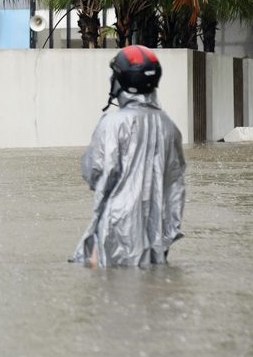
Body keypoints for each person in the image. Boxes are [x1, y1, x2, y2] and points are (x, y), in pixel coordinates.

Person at [71, 45, 186, 268]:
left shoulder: (112, 123)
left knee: (108, 289)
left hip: (117, 224)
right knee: (153, 291)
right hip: (159, 227)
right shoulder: (170, 126)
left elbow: (94, 171)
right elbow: (176, 180)